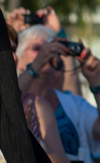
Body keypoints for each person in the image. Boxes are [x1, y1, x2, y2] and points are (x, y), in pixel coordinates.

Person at [16, 26, 100, 161]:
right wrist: (36, 64)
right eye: (37, 48)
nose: (46, 52)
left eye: (51, 48)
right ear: (18, 60)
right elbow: (10, 100)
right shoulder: (16, 101)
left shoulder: (73, 104)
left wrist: (95, 80)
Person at [6, 24, 67, 163]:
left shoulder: (37, 105)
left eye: (14, 50)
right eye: (3, 50)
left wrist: (33, 143)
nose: (13, 57)